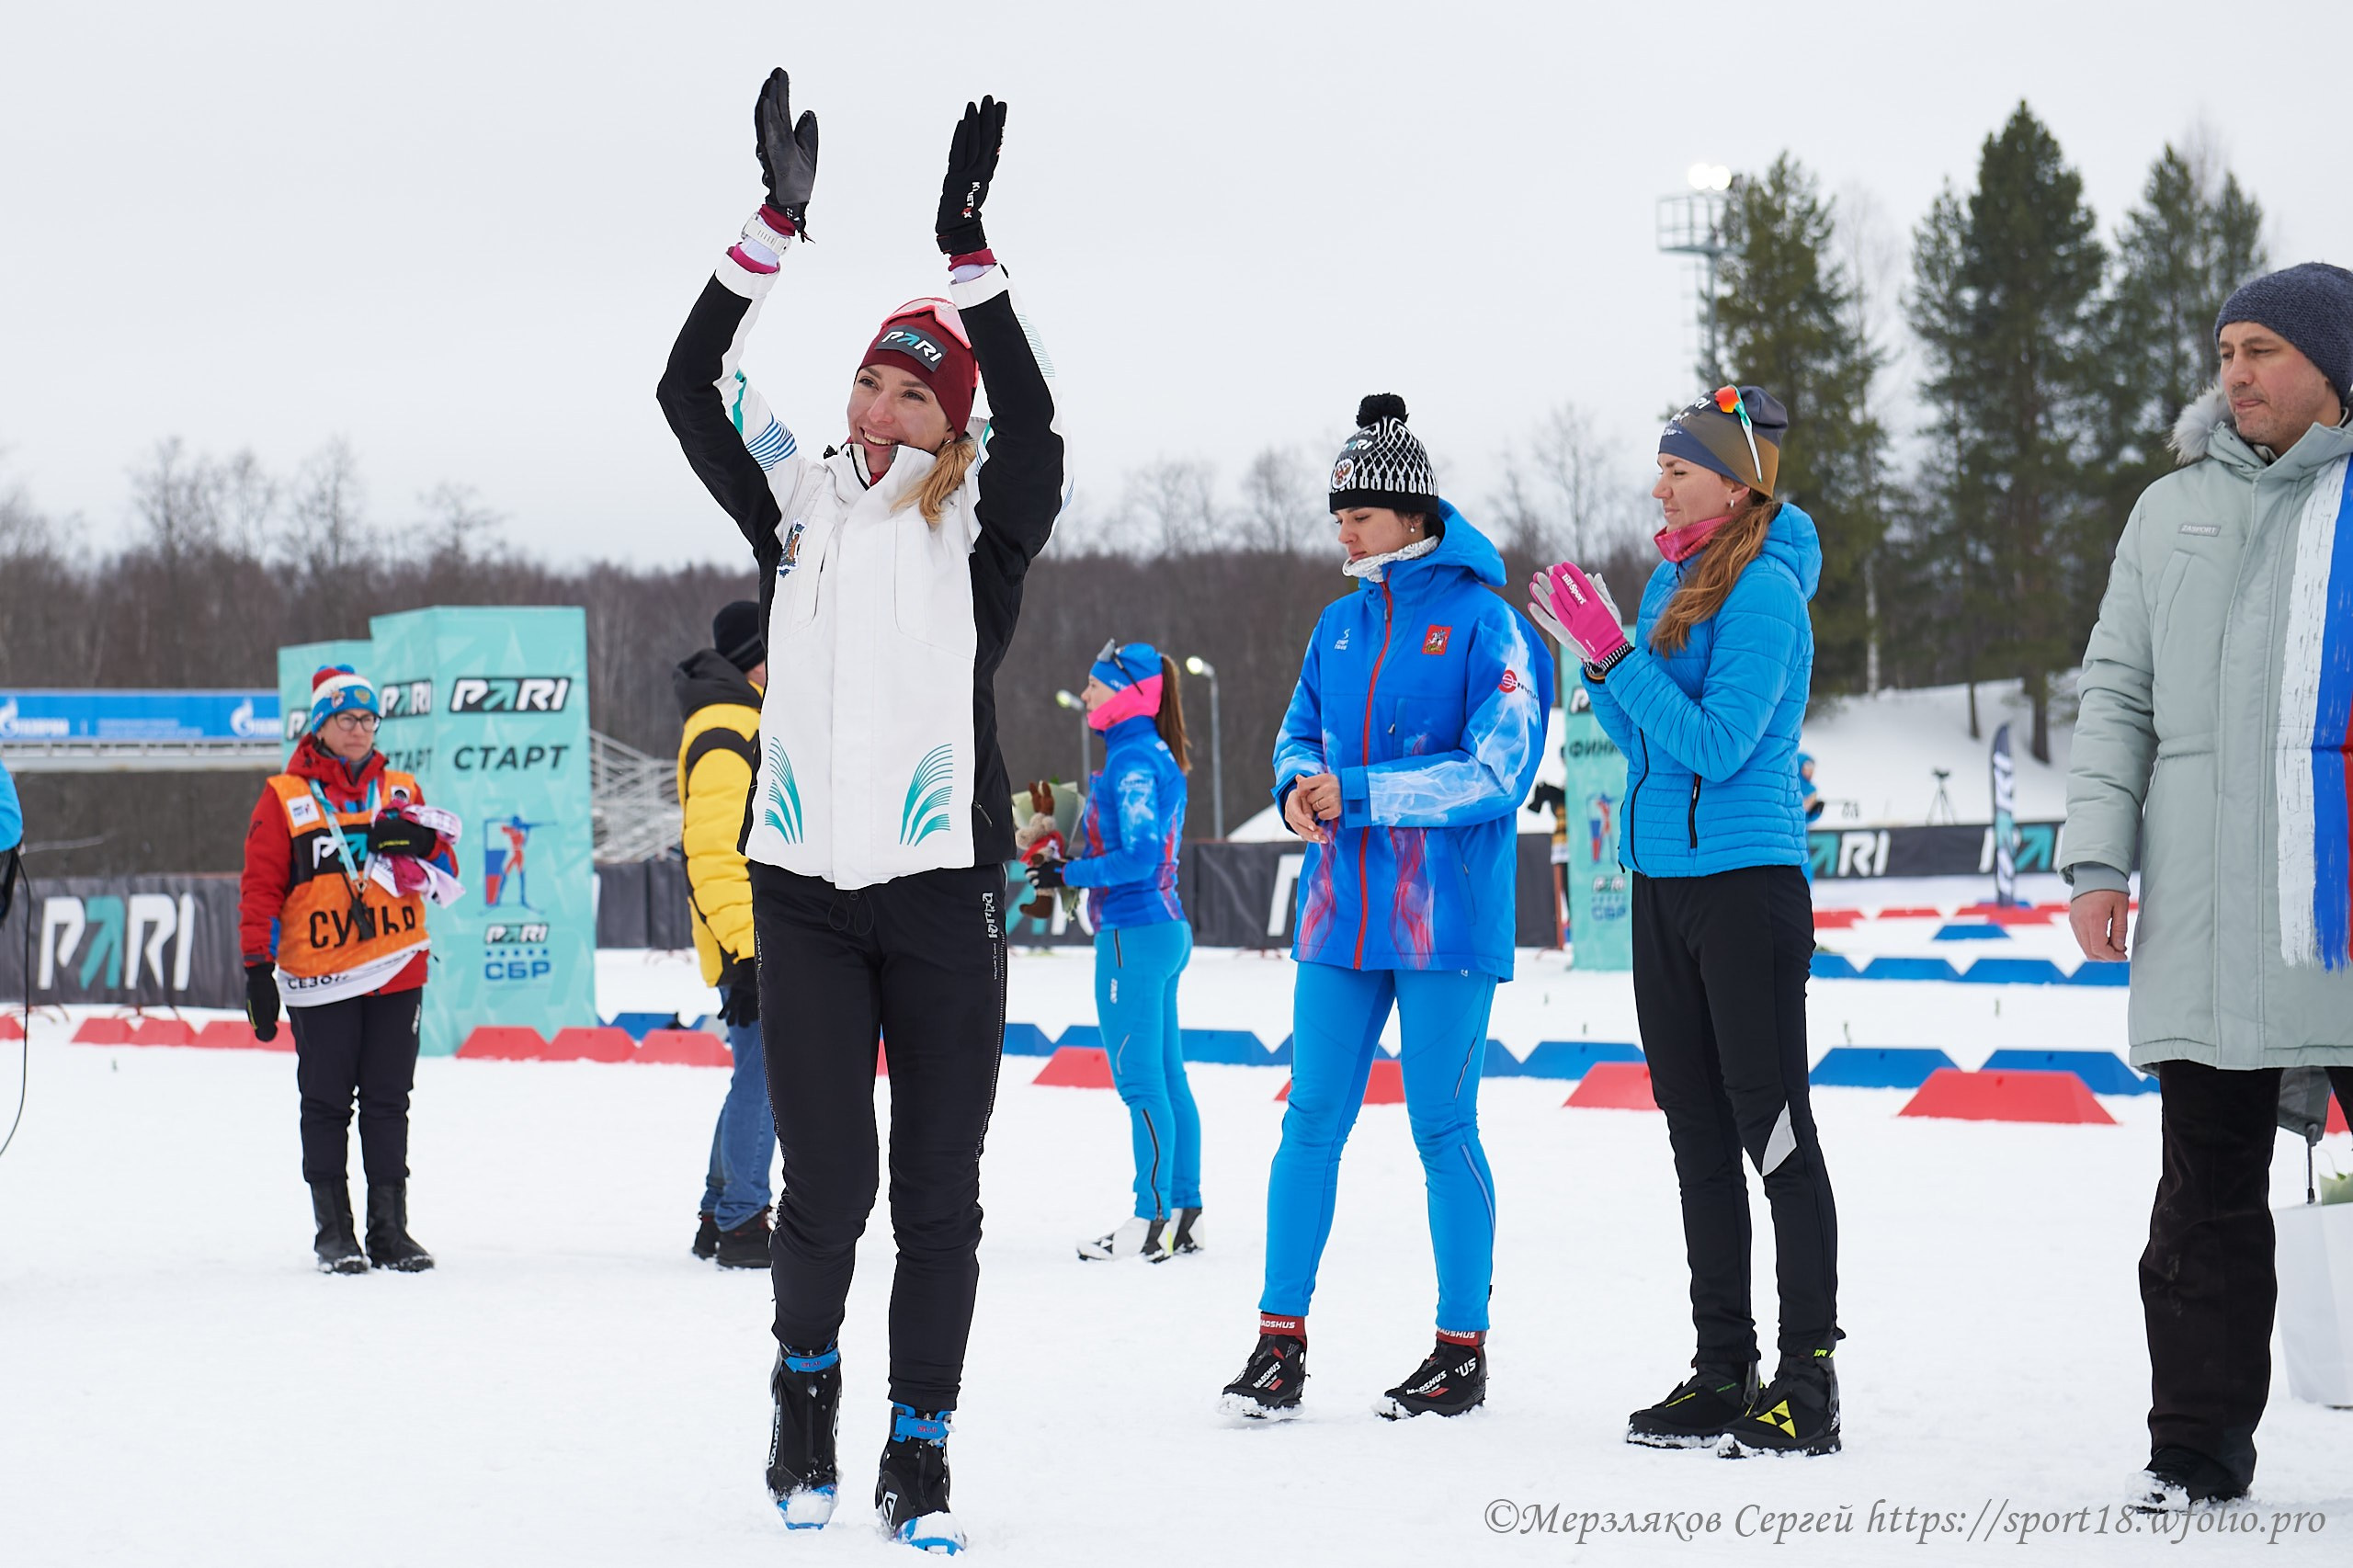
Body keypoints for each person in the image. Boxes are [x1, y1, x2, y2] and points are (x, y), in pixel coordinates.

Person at [656, 71, 1060, 1553]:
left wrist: (969, 248)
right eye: (868, 382)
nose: (879, 407)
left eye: (910, 390)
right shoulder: (794, 503)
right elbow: (686, 384)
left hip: (944, 900)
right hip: (807, 899)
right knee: (826, 1187)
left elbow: (1038, 416)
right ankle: (806, 1390)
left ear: (945, 417)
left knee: (937, 1196)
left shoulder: (983, 528)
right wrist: (771, 228)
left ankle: (923, 1442)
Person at [2061, 262, 2353, 1511]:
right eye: (2228, 349)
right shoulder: (2166, 508)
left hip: (2333, 912)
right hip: (2202, 913)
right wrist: (2093, 857)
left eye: (2265, 351)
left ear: (2332, 367)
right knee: (2202, 1198)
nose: (2236, 372)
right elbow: (2116, 690)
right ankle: (2192, 1447)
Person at [1220, 395, 1552, 1423]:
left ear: (1411, 513)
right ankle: (1279, 1343)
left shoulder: (1487, 619)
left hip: (1443, 917)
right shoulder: (1339, 621)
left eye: (1360, 511)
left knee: (1442, 1123)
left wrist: (1354, 793)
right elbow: (1297, 734)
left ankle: (1462, 1347)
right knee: (1309, 1118)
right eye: (1337, 513)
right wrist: (1294, 788)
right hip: (1339, 913)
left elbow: (1499, 768)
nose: (1343, 529)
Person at [1532, 385, 1842, 1457]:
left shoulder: (1764, 591)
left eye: (1677, 465)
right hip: (1664, 882)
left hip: (1746, 884)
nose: (1656, 482)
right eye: (1660, 464)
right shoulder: (1676, 577)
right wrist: (1594, 654)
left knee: (1771, 1128)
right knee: (1697, 1135)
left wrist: (1615, 655)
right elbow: (1641, 740)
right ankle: (1723, 1365)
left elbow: (1715, 743)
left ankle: (1807, 1375)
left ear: (1736, 478)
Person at [238, 665, 461, 1275]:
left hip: (397, 965)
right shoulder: (284, 794)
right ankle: (335, 1235)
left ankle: (391, 1232)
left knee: (390, 1102)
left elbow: (444, 863)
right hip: (319, 975)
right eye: (347, 719)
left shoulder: (400, 787)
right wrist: (257, 969)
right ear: (321, 726)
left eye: (368, 719)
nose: (360, 730)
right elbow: (259, 889)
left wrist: (420, 846)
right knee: (328, 1103)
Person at [1029, 640, 1201, 1263]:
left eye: (1097, 685)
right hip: (1162, 928)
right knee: (1168, 1077)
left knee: (1140, 1082)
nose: (1088, 694)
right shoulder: (1152, 753)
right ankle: (1184, 1212)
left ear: (1129, 693)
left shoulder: (1131, 759)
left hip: (1134, 933)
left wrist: (1066, 875)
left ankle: (1151, 1219)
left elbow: (1139, 856)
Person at [674, 599, 776, 1270]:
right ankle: (742, 1218)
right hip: (751, 940)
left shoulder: (739, 718)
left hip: (750, 934)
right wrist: (748, 953)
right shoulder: (729, 725)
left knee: (756, 1073)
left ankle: (721, 1208)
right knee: (767, 1078)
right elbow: (712, 850)